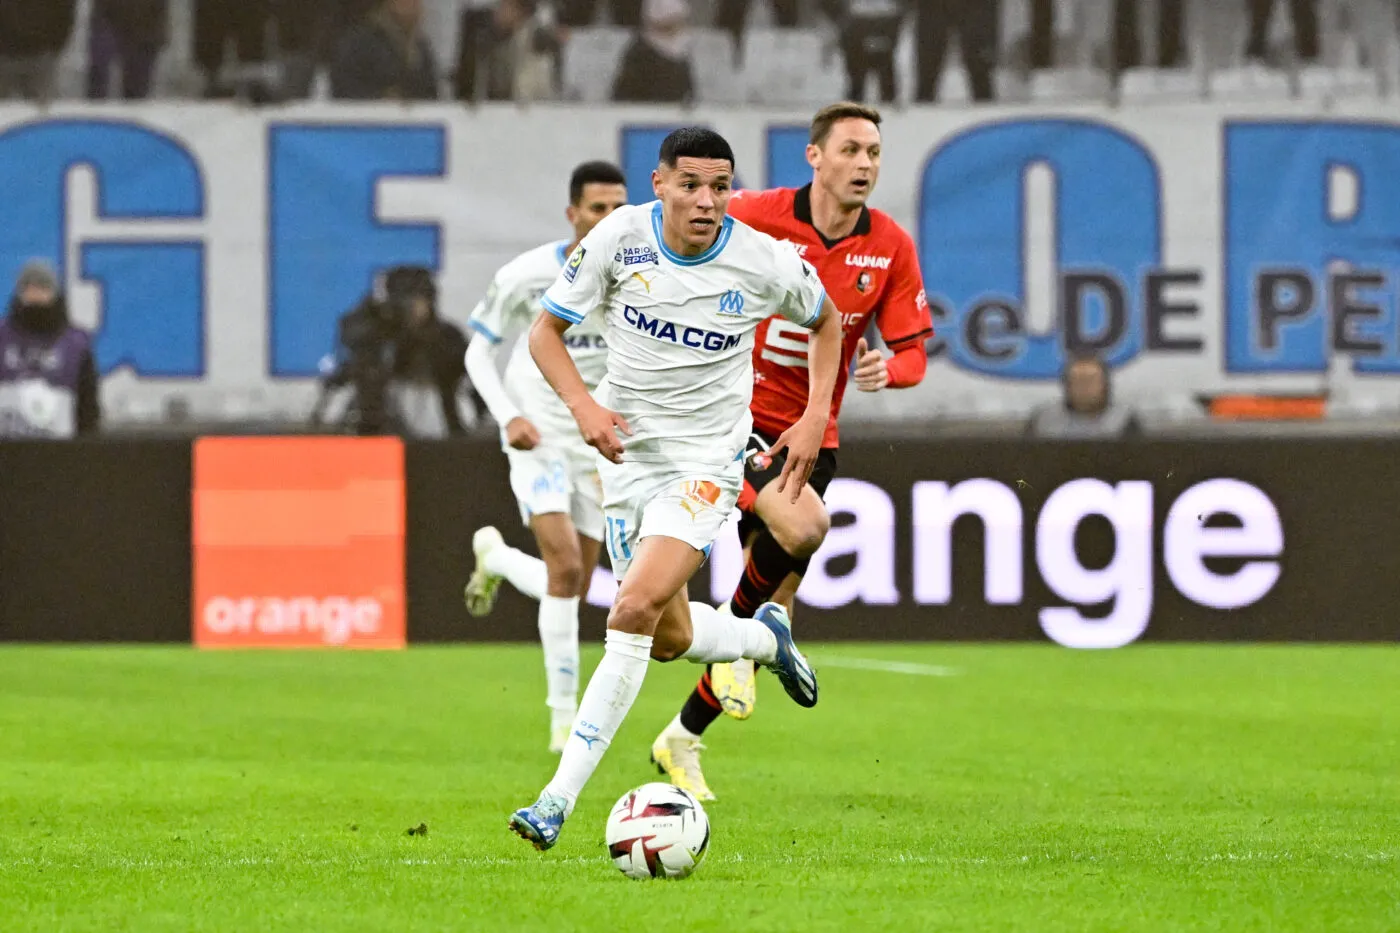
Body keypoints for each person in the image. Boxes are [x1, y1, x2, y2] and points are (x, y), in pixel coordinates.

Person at [508, 127, 843, 851]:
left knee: (631, 607)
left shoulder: (760, 259)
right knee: (669, 638)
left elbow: (827, 319)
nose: (706, 201)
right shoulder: (620, 239)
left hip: (705, 464)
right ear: (658, 185)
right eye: (689, 185)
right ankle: (764, 637)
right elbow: (543, 333)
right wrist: (585, 408)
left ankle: (555, 800)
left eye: (719, 187)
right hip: (627, 462)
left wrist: (815, 415)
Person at [650, 102, 933, 801]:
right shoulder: (755, 213)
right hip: (734, 416)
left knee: (777, 602)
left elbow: (913, 353)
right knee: (801, 528)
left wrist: (889, 370)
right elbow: (682, 237)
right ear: (815, 156)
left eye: (873, 152)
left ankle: (681, 736)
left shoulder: (890, 246)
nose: (864, 164)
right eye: (851, 150)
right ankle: (731, 632)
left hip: (812, 436)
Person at [461, 161, 629, 753]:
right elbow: (478, 352)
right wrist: (509, 416)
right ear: (572, 214)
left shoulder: (640, 278)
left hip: (594, 439)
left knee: (574, 587)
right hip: (537, 433)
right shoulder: (527, 275)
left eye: (619, 208)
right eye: (598, 209)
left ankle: (500, 560)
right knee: (565, 569)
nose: (609, 219)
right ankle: (564, 721)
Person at [0, 261, 100, 439]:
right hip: (8, 445)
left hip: (61, 447)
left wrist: (86, 446)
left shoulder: (75, 343)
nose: (35, 294)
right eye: (29, 288)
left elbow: (87, 404)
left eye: (42, 287)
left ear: (54, 292)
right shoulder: (2, 337)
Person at [1025, 352, 1140, 438]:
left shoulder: (1124, 421)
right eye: (1078, 381)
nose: (1085, 388)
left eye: (1091, 381)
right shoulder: (1043, 421)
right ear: (1067, 385)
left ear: (1105, 385)